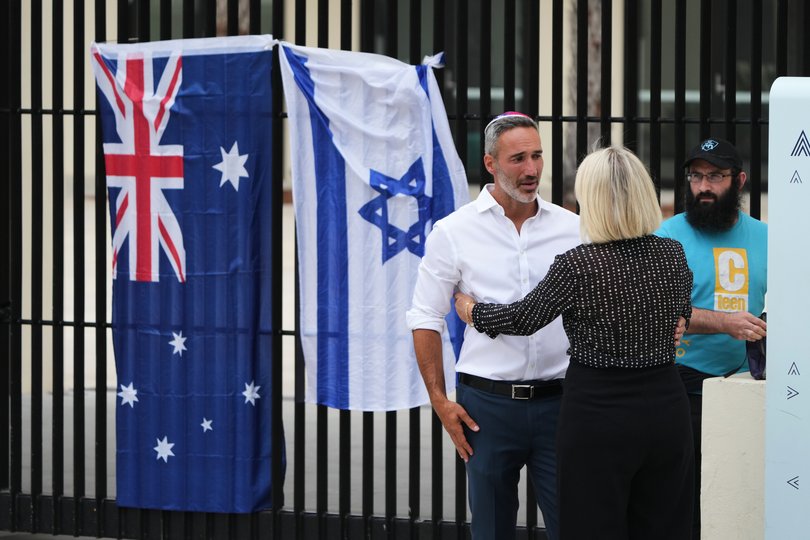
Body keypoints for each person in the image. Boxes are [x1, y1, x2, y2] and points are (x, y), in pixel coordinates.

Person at [455, 146, 695, 540]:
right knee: (664, 526)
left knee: (591, 526)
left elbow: (522, 318)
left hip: (598, 414)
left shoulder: (578, 263)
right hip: (665, 409)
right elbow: (680, 308)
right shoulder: (671, 253)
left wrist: (470, 309)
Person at [405, 112, 581, 540]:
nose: (532, 170)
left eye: (537, 156)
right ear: (490, 164)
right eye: (518, 158)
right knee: (491, 530)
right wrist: (440, 401)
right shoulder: (453, 231)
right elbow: (425, 316)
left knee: (574, 526)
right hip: (486, 408)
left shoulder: (573, 228)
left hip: (560, 402)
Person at [656, 137, 768, 539]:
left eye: (715, 176)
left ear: (738, 181)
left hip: (747, 387)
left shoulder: (766, 238)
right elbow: (662, 309)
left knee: (740, 498)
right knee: (685, 503)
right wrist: (726, 323)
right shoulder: (667, 235)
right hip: (683, 385)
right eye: (697, 176)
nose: (704, 186)